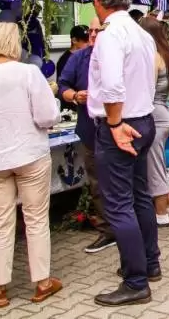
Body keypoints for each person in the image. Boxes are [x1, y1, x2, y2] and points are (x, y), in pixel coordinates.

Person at [87, 0, 158, 307]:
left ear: (99, 2)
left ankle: (136, 281)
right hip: (142, 118)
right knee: (140, 196)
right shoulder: (141, 33)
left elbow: (113, 85)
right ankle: (149, 262)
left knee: (118, 205)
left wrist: (115, 124)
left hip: (122, 123)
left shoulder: (111, 34)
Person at [0, 23, 63, 308]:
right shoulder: (28, 73)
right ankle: (42, 282)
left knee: (0, 223)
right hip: (30, 154)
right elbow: (47, 116)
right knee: (36, 219)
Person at [58, 17, 117, 254]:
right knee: (97, 182)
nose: (92, 35)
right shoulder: (78, 58)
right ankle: (107, 230)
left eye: (97, 30)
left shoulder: (117, 56)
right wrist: (74, 96)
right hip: (90, 129)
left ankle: (128, 226)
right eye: (90, 31)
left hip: (118, 128)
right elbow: (62, 86)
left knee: (122, 180)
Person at [139, 18, 169, 228]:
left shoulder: (153, 56)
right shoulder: (167, 54)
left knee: (154, 167)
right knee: (159, 163)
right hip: (164, 114)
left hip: (156, 117)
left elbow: (146, 90)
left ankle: (161, 213)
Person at [56, 24, 89, 88]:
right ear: (74, 40)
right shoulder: (64, 61)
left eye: (90, 39)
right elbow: (62, 86)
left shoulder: (89, 54)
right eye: (85, 41)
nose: (89, 43)